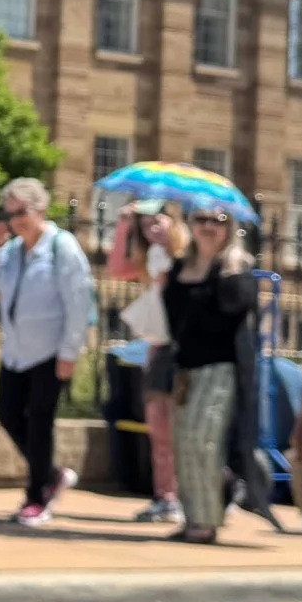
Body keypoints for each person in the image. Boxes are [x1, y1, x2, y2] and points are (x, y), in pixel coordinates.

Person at [0, 177, 95, 526]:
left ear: (40, 209)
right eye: (9, 213)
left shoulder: (62, 247)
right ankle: (52, 475)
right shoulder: (10, 251)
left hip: (50, 352)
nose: (14, 220)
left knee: (40, 423)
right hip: (15, 352)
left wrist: (70, 352)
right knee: (8, 415)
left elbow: (78, 302)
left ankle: (36, 497)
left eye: (21, 212)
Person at [161, 207, 257, 544]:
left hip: (222, 367)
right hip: (187, 367)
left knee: (203, 441)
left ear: (230, 228)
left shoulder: (236, 268)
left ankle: (206, 520)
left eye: (218, 221)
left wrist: (226, 277)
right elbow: (172, 319)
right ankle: (193, 516)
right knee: (183, 441)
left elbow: (234, 313)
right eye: (201, 220)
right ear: (191, 225)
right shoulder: (179, 268)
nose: (209, 227)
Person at [112, 202, 188, 524]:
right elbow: (117, 270)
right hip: (158, 345)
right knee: (157, 423)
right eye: (145, 226)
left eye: (157, 222)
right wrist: (122, 229)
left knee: (181, 425)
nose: (152, 229)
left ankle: (189, 494)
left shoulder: (187, 257)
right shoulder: (151, 257)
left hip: (184, 347)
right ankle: (164, 496)